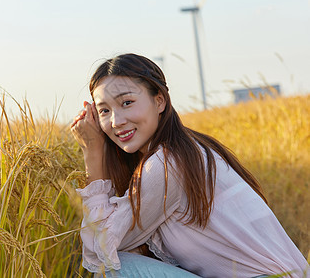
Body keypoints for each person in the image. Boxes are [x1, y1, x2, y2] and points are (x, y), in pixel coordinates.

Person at [70, 53, 308, 277]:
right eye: (104, 110)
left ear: (159, 101)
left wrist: (93, 151)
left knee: (114, 269)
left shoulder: (167, 164)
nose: (116, 121)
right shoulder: (184, 150)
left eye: (127, 102)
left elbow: (99, 251)